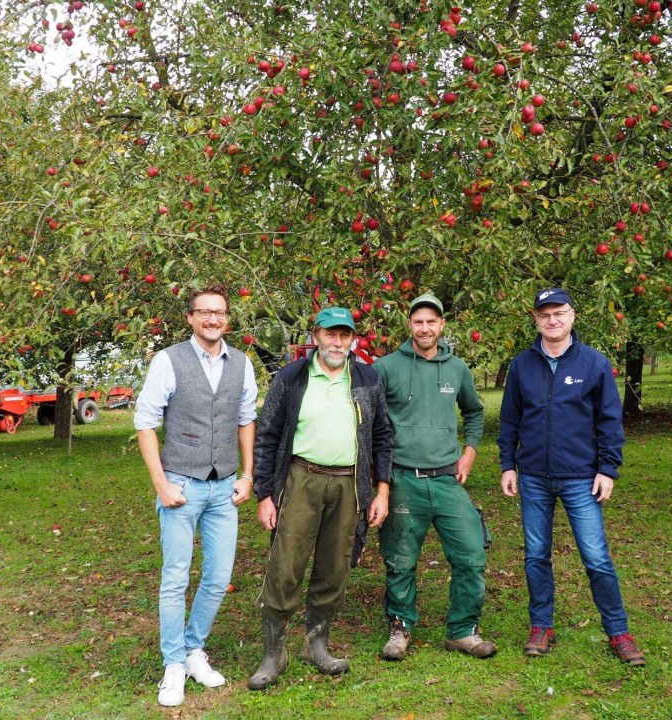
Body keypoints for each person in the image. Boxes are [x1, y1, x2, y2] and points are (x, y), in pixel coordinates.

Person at [497, 287, 645, 666]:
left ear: (572, 316)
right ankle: (541, 626)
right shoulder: (521, 365)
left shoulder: (593, 364)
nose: (552, 320)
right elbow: (510, 420)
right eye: (545, 314)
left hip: (581, 478)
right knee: (536, 556)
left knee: (596, 558)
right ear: (536, 319)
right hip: (532, 477)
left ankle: (619, 632)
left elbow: (609, 421)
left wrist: (608, 469)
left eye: (559, 312)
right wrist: (508, 465)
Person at [248, 307, 393, 690]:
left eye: (345, 335)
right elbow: (267, 435)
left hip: (349, 484)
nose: (337, 342)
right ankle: (273, 653)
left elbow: (382, 437)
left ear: (353, 340)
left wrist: (382, 489)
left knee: (335, 565)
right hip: (301, 478)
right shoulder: (291, 377)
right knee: (286, 564)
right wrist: (265, 494)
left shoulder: (367, 378)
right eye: (330, 334)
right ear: (316, 336)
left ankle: (317, 645)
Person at [134, 283, 258, 706]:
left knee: (219, 576)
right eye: (203, 312)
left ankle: (193, 649)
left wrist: (248, 475)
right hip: (181, 484)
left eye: (219, 312)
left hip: (225, 485)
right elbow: (145, 422)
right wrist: (161, 484)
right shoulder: (168, 361)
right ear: (189, 318)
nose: (212, 319)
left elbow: (245, 420)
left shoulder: (242, 363)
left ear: (228, 318)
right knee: (175, 576)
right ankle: (173, 663)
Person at [374, 293, 494, 661]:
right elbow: (372, 423)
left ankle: (462, 630)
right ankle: (400, 627)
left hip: (447, 481)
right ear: (409, 325)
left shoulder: (456, 368)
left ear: (442, 325)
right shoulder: (386, 367)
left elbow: (474, 412)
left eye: (432, 321)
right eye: (418, 321)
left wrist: (469, 452)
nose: (424, 327)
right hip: (402, 480)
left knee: (471, 553)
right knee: (400, 559)